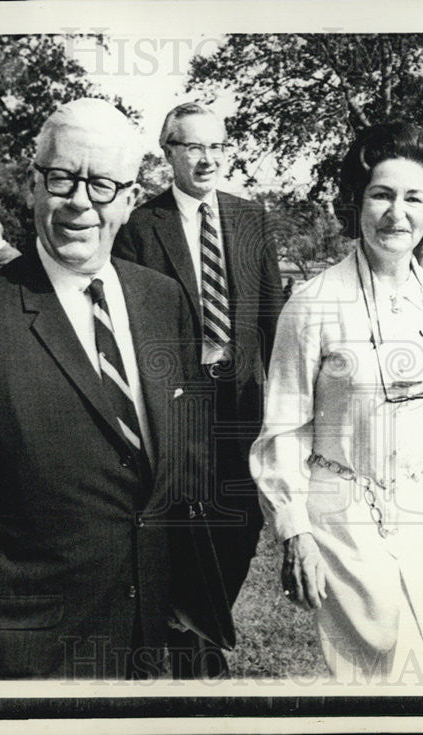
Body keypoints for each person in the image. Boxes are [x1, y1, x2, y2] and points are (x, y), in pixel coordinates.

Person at [0, 98, 228, 679]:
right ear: (34, 185)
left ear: (128, 198)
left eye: (100, 185)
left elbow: (183, 462)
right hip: (24, 663)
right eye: (62, 179)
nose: (79, 203)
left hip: (145, 648)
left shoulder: (163, 300)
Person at [249, 122, 423, 684]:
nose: (397, 214)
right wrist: (294, 531)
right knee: (374, 668)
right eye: (382, 194)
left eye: (413, 198)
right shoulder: (313, 303)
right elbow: (283, 429)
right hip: (343, 513)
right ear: (357, 202)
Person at [114, 102, 284, 677]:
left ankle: (195, 622)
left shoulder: (251, 217)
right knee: (187, 521)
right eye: (193, 147)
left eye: (218, 146)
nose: (208, 158)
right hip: (177, 403)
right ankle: (193, 643)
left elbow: (271, 315)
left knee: (243, 521)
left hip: (240, 400)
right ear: (168, 155)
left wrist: (286, 388)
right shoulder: (140, 226)